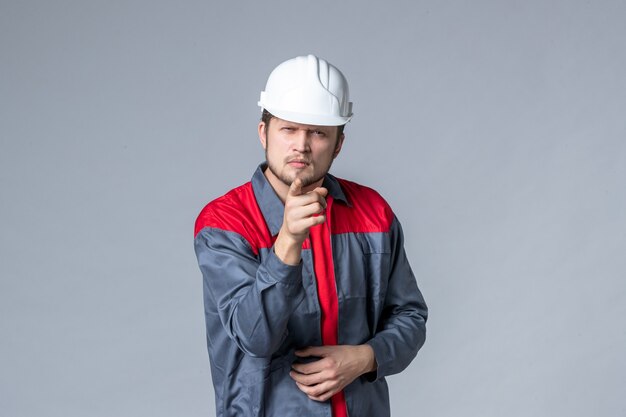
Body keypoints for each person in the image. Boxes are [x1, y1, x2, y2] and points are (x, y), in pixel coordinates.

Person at [194, 54, 427, 417]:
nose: (301, 145)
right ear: (263, 133)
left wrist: (366, 357)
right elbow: (254, 337)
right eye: (288, 128)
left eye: (318, 132)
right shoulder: (225, 222)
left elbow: (410, 316)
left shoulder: (372, 213)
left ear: (338, 144)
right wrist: (287, 240)